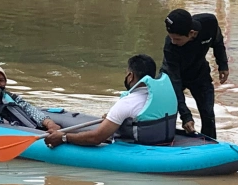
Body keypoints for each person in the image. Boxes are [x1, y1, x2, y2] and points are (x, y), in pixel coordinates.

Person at [45, 54, 177, 148]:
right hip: (164, 140)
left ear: (130, 76)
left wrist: (63, 137)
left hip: (137, 147)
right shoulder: (167, 95)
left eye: (127, 73)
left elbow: (96, 138)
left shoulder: (127, 102)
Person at [161, 8, 229, 139]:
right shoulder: (170, 47)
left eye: (177, 39)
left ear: (192, 33)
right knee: (166, 110)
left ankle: (210, 145)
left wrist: (223, 65)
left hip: (199, 73)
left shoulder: (209, 23)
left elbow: (218, 42)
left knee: (208, 114)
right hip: (173, 75)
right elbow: (175, 82)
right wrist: (186, 116)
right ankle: (165, 140)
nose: (173, 42)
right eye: (171, 37)